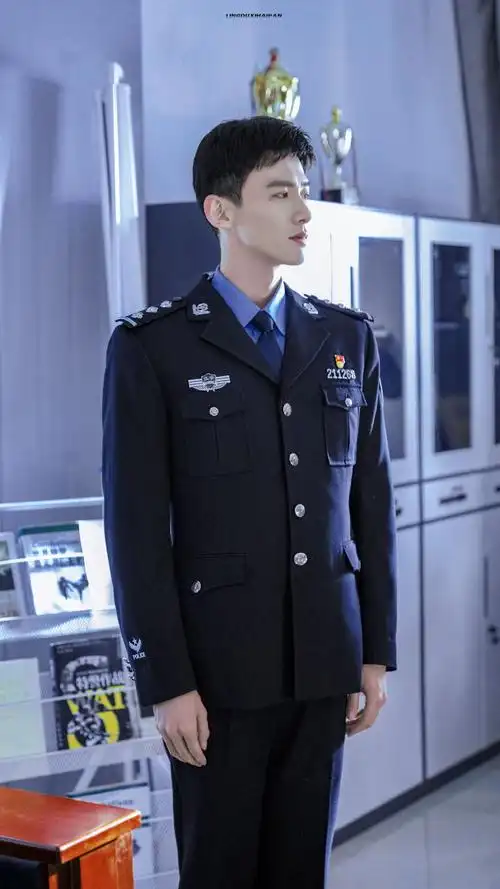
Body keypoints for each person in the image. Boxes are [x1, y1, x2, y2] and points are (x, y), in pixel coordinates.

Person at [102, 116, 397, 889]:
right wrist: (167, 681)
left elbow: (371, 505)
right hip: (217, 672)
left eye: (304, 190)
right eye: (280, 192)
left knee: (301, 871)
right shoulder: (153, 348)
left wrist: (374, 652)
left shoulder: (346, 339)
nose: (303, 211)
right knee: (221, 871)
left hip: (323, 661)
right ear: (221, 210)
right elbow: (136, 532)